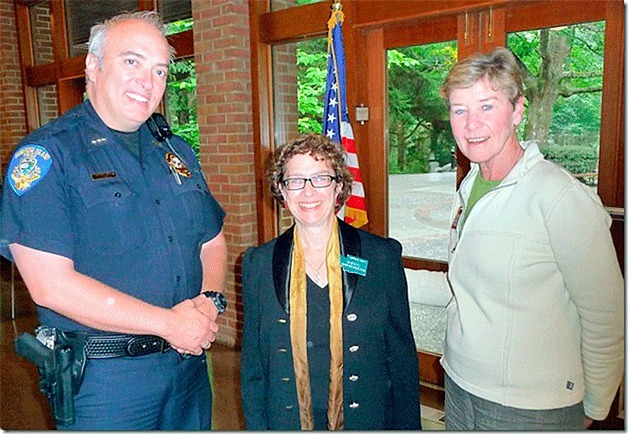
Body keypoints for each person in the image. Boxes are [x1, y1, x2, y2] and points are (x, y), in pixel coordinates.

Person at [1, 11, 228, 430]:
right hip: (106, 384)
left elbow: (212, 241)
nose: (148, 81)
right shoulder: (48, 156)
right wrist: (170, 324)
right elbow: (50, 286)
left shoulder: (175, 152)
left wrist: (207, 305)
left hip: (188, 369)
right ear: (93, 65)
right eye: (132, 61)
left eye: (160, 70)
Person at [408, 47, 624, 430]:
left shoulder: (558, 196)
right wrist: (370, 268)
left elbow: (606, 314)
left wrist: (597, 404)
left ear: (518, 110)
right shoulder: (470, 185)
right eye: (460, 110)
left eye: (486, 107)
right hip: (460, 386)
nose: (471, 124)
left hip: (532, 407)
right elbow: (466, 286)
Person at [240, 134, 421, 430]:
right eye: (295, 180)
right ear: (282, 192)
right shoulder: (258, 264)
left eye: (321, 178)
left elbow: (402, 363)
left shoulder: (381, 258)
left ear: (338, 186)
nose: (308, 192)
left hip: (366, 420)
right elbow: (253, 370)